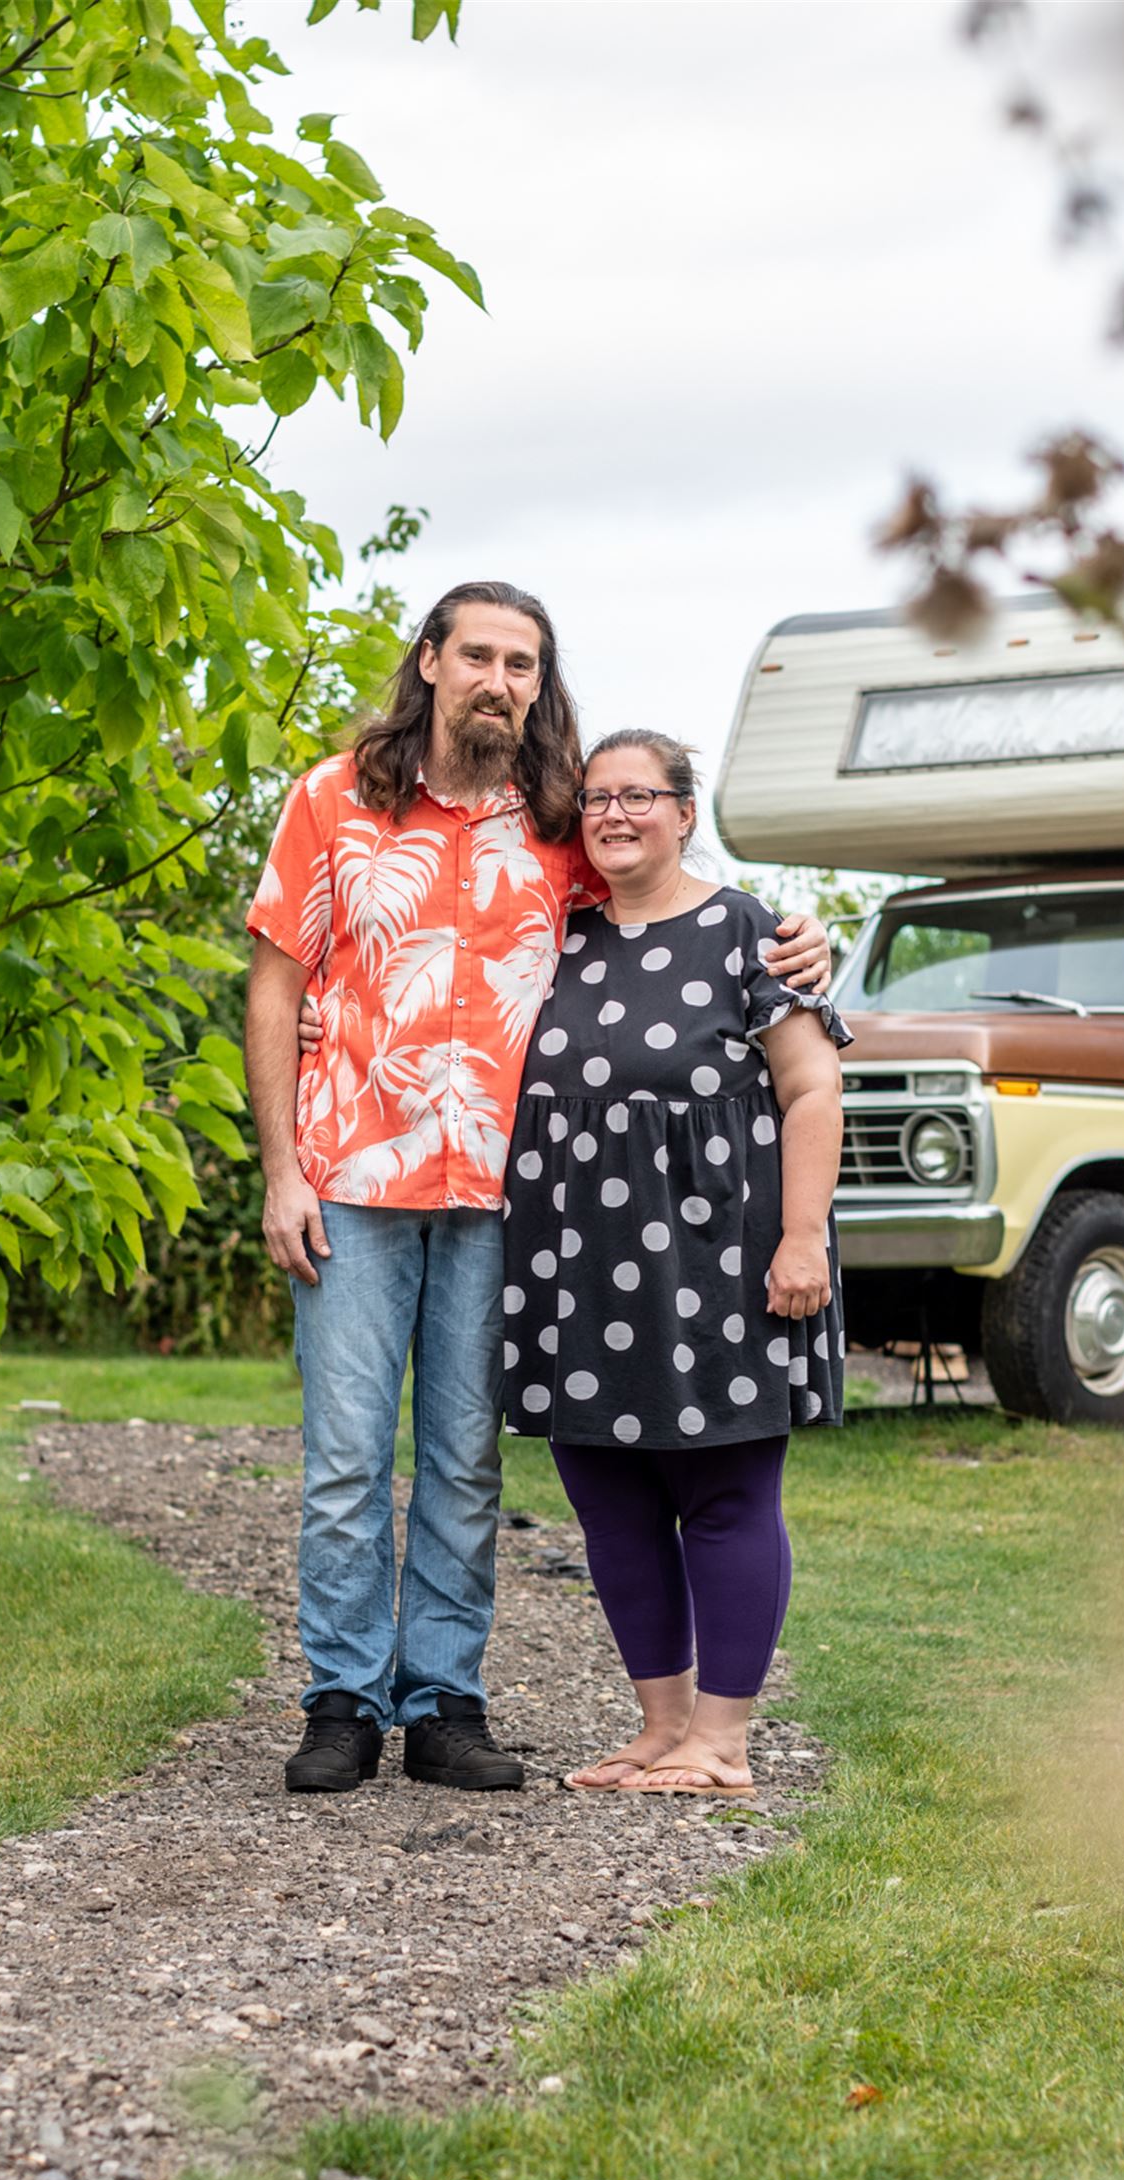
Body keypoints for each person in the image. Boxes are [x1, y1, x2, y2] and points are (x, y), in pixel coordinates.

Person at [244, 585, 832, 1795]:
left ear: (540, 683)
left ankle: (445, 1703)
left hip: (504, 1199)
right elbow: (273, 984)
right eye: (479, 655)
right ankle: (343, 1699)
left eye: (524, 662)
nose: (500, 680)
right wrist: (281, 1172)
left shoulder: (557, 820)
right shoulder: (330, 800)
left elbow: (660, 904)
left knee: (465, 1461)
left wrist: (799, 936)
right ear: (431, 662)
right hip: (352, 1175)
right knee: (347, 1460)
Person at [501, 728, 850, 1797]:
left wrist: (801, 1235)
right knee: (608, 1495)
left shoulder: (749, 928)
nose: (614, 813)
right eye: (596, 796)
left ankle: (725, 1743)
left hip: (720, 1254)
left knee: (727, 1491)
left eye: (639, 794)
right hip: (574, 1261)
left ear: (684, 812)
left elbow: (811, 1089)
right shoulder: (554, 935)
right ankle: (660, 1729)